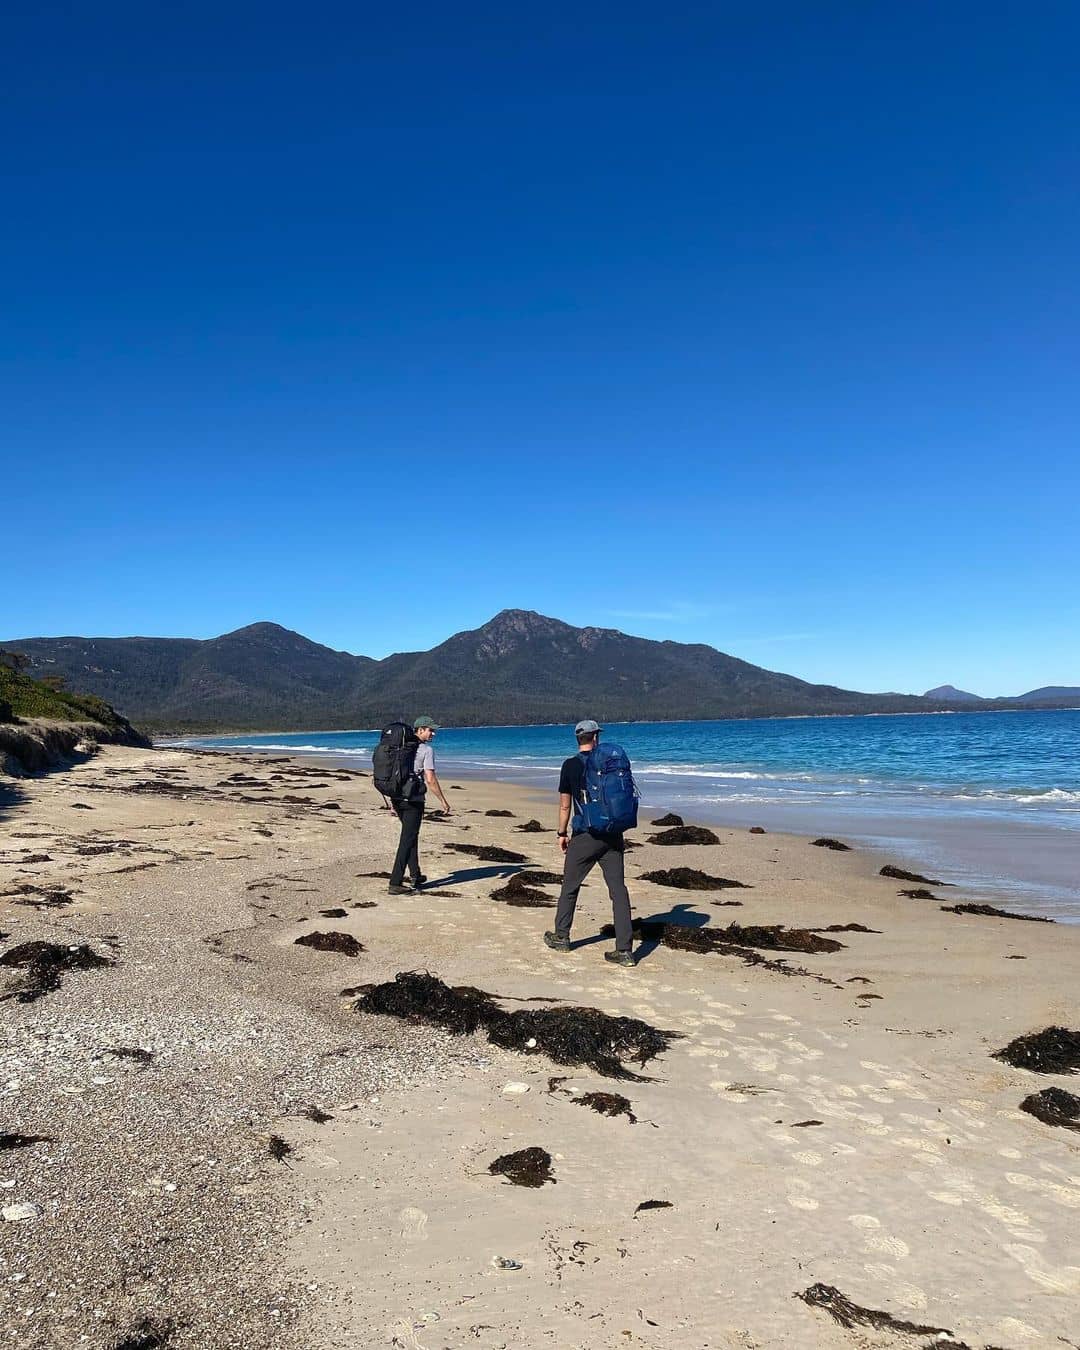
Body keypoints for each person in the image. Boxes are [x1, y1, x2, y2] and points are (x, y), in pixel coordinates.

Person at [544, 718, 635, 967]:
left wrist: (561, 833)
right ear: (596, 737)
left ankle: (562, 936)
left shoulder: (570, 765)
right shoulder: (609, 763)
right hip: (613, 834)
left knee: (570, 886)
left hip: (585, 835)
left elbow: (565, 805)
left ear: (578, 738)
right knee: (618, 890)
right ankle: (625, 951)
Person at [388, 716, 451, 895]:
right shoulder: (426, 750)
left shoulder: (399, 747)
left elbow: (392, 774)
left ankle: (415, 875)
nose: (433, 733)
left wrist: (392, 801)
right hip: (413, 800)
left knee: (410, 836)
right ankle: (395, 883)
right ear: (420, 729)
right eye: (431, 730)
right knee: (407, 839)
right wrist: (443, 801)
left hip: (398, 798)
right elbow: (430, 779)